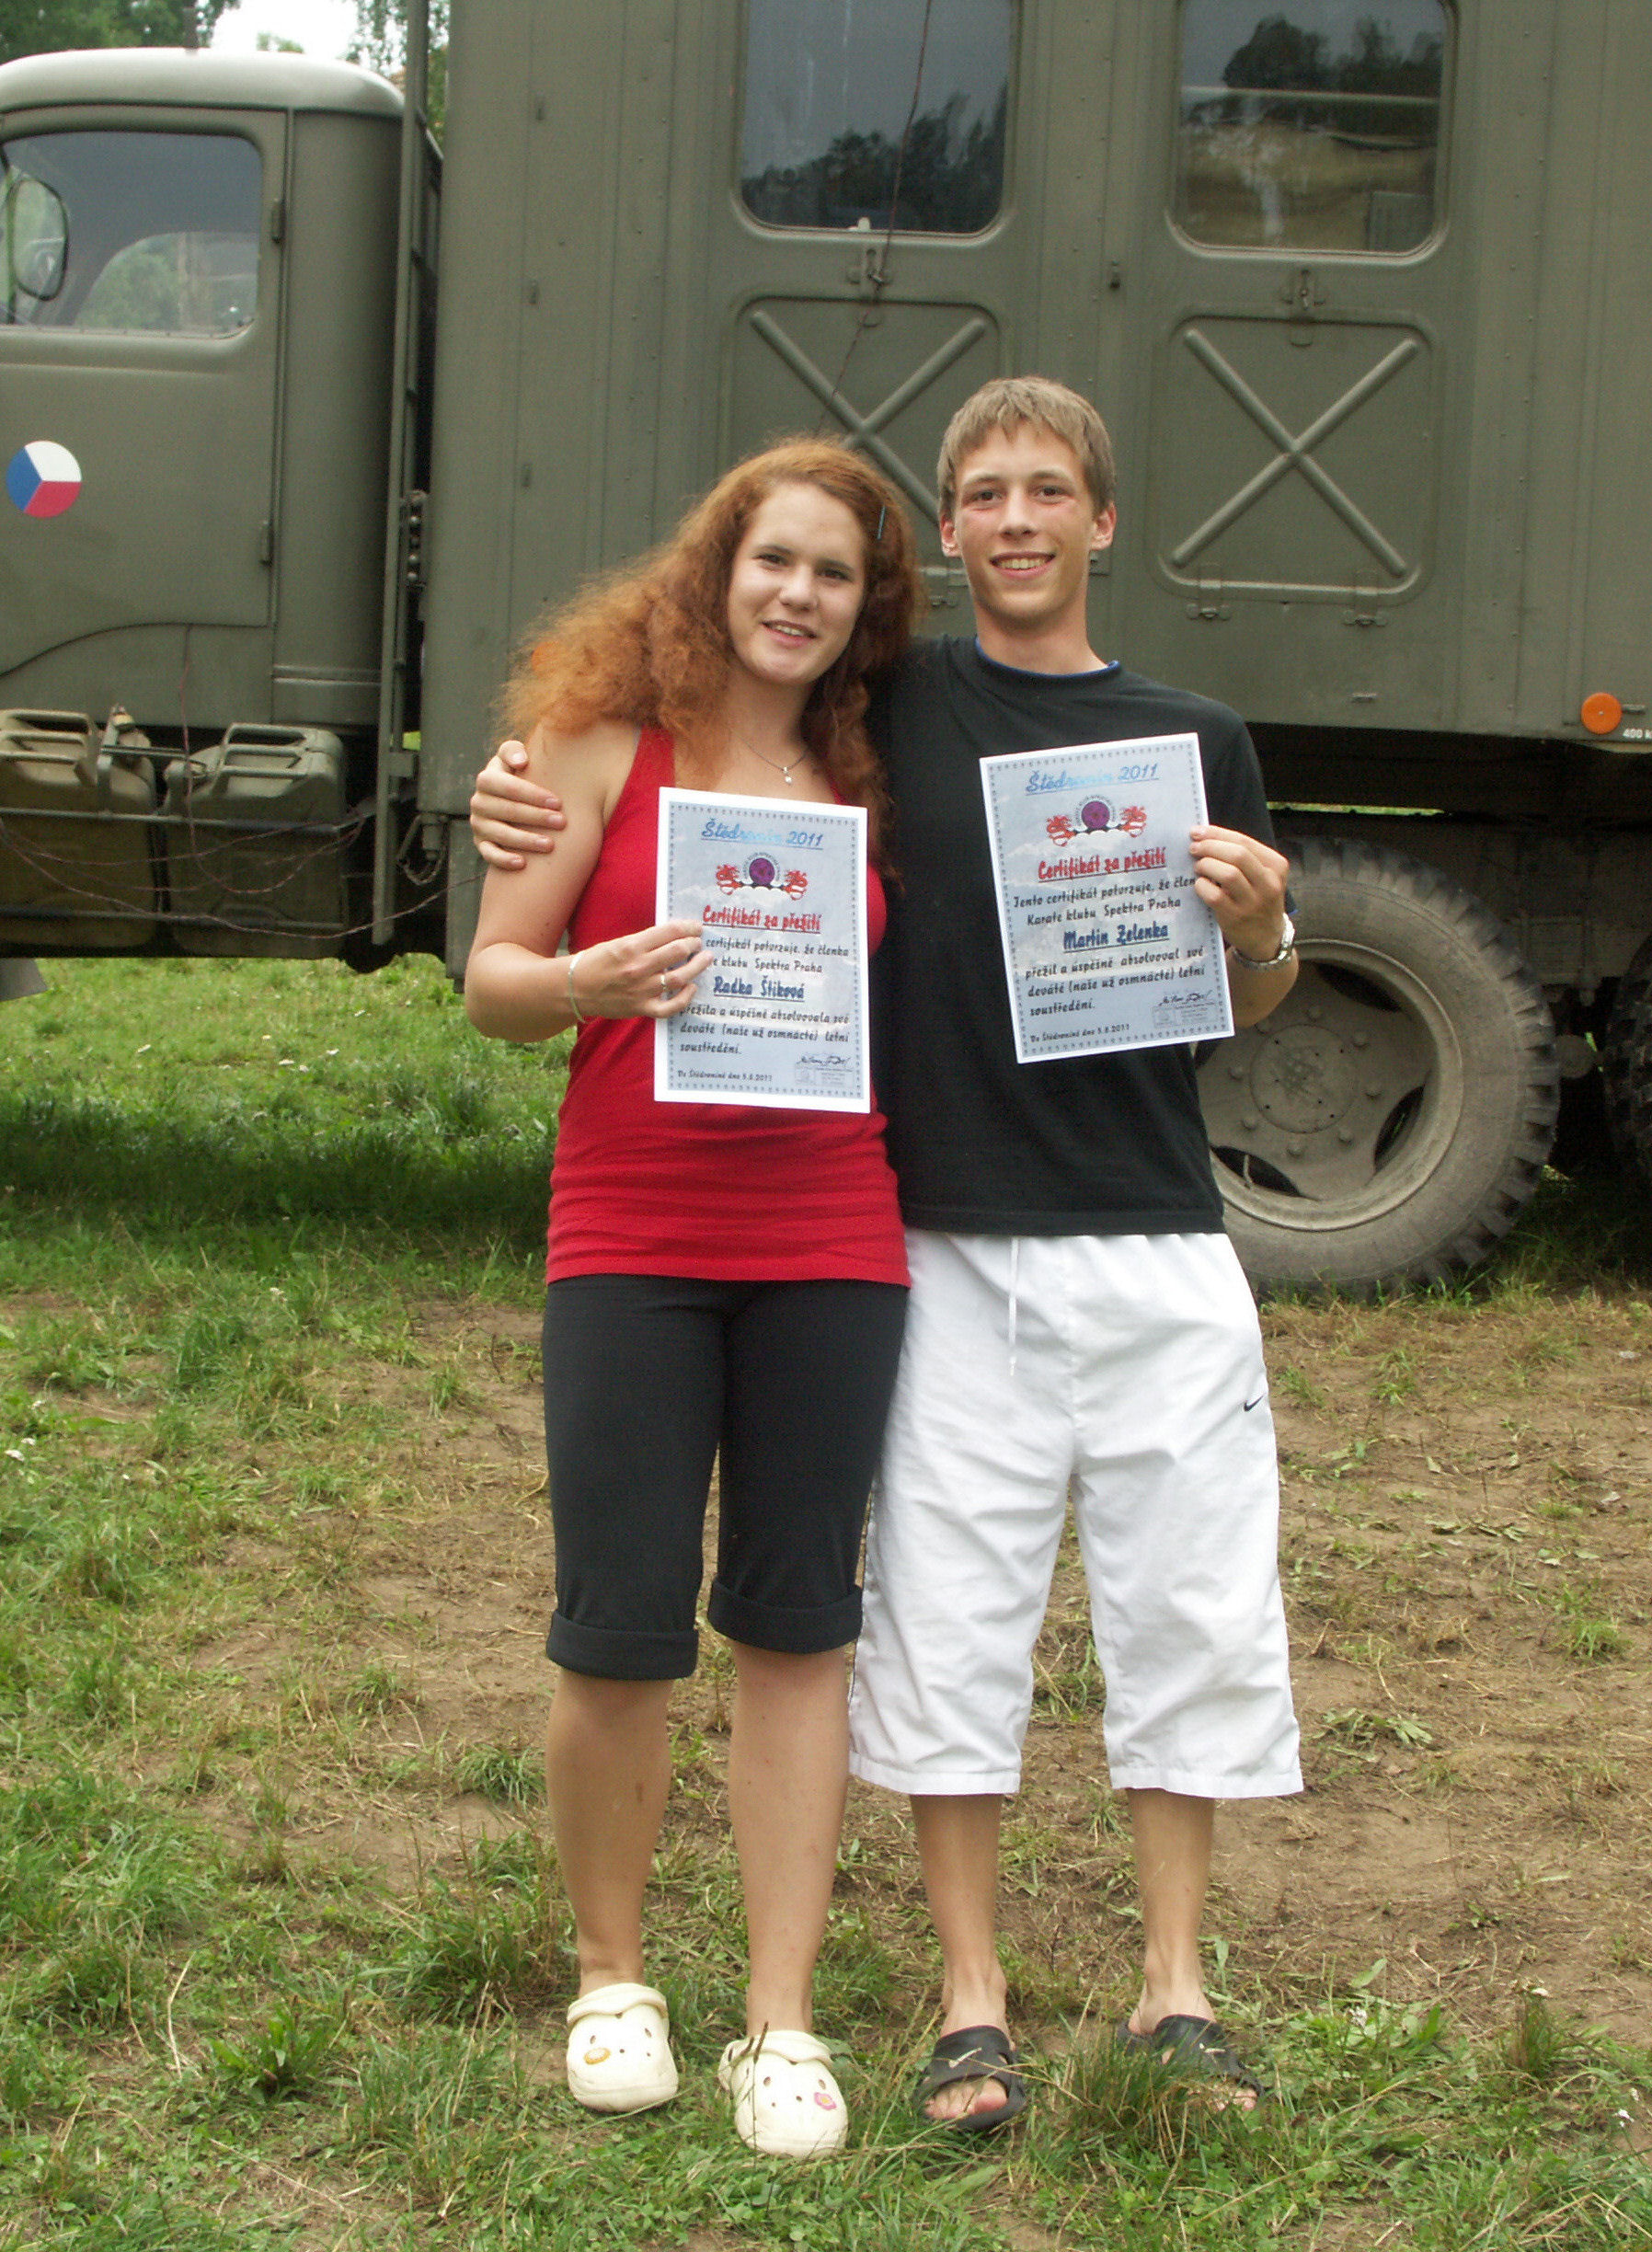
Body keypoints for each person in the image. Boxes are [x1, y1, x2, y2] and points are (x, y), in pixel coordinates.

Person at [470, 377, 1303, 2128]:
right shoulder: (761, 727)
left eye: (1047, 490)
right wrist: (533, 845)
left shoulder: (1050, 744)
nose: (1016, 520)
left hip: (983, 1233)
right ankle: (767, 1990)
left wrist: (1266, 930)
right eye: (982, 493)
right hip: (782, 1233)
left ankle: (995, 2003)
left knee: (988, 1617)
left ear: (1098, 520)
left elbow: (1230, 996)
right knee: (767, 1620)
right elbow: (531, 918)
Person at [463, 439, 923, 2159]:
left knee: (800, 1627)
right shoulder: (592, 743)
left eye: (834, 575)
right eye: (772, 559)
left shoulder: (869, 768)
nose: (797, 595)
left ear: (866, 610)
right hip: (633, 1235)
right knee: (620, 1623)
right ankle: (612, 1982)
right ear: (716, 567)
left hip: (830, 1239)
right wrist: (582, 978)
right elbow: (492, 983)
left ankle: (780, 2023)